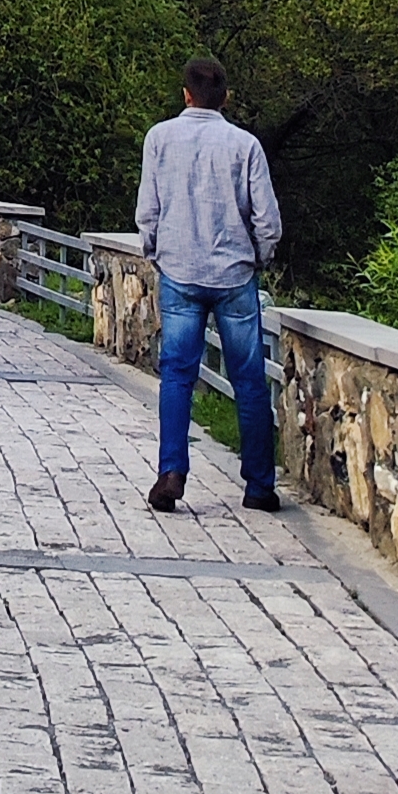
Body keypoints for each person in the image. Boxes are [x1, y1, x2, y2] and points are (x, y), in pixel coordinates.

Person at [138, 53, 283, 512]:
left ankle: (172, 470)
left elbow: (148, 207)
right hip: (233, 275)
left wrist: (154, 249)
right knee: (249, 380)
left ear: (186, 94)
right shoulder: (245, 146)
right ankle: (259, 484)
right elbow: (267, 218)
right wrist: (260, 256)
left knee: (177, 374)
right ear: (225, 98)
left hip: (179, 271)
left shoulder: (159, 138)